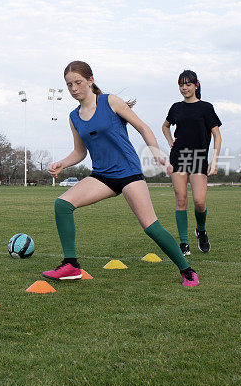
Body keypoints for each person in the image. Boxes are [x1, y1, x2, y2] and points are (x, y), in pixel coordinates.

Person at [45, 60, 199, 287]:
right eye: (69, 85)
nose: (73, 88)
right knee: (62, 204)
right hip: (102, 176)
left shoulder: (110, 102)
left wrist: (156, 153)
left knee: (151, 226)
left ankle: (187, 271)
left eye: (78, 82)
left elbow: (143, 127)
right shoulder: (74, 116)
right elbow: (80, 151)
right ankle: (71, 265)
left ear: (90, 80)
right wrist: (62, 163)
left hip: (128, 173)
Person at [161, 70, 222, 256]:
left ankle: (201, 231)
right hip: (178, 157)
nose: (184, 88)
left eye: (188, 84)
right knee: (181, 200)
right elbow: (165, 126)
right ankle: (184, 243)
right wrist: (170, 140)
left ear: (196, 85)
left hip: (198, 158)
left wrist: (215, 160)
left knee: (199, 201)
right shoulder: (176, 108)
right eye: (181, 84)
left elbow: (217, 135)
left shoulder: (206, 108)